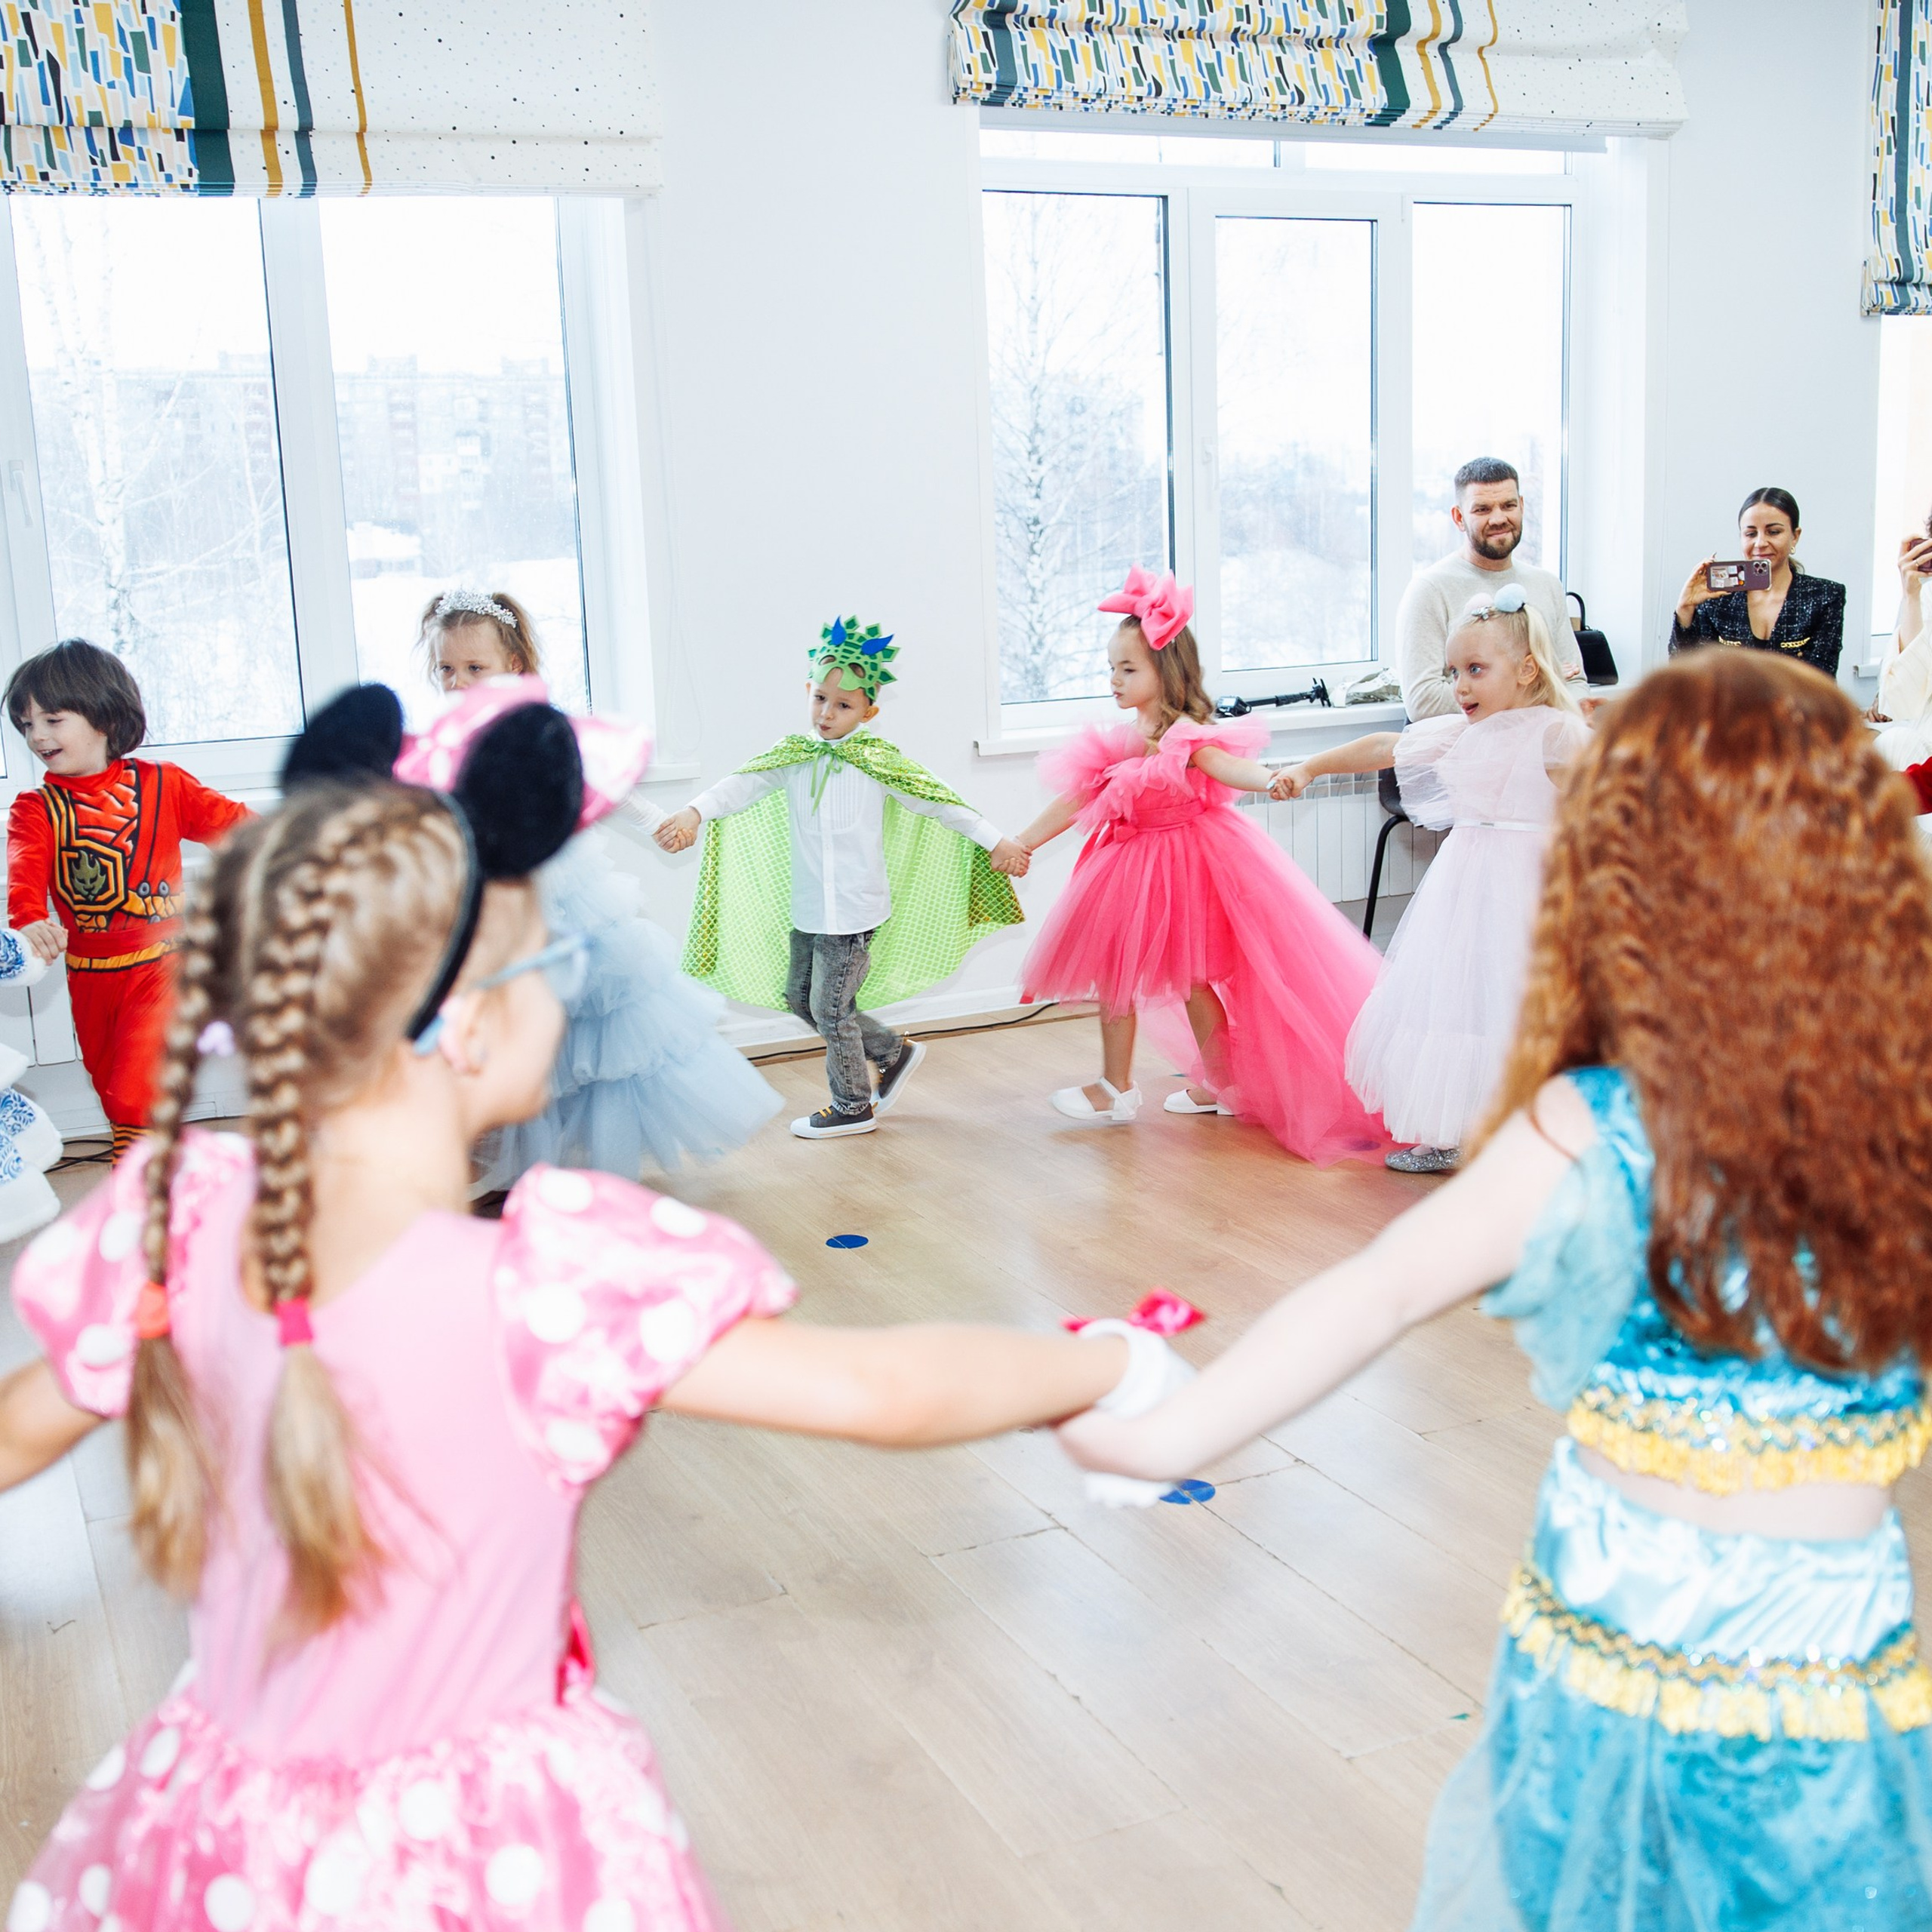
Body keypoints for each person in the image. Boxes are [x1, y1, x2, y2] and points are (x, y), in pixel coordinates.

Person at [0, 680, 1186, 1932]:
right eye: (551, 966)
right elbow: (878, 1390)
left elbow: (21, 1425)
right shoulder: (542, 1280)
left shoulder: (182, 1215)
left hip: (227, 1844)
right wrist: (1110, 1364)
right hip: (477, 1858)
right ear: (470, 1026)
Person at [1061, 651, 1932, 1927]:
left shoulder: (1610, 1124)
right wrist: (1170, 1433)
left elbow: (1374, 1293)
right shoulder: (1621, 1122)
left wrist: (1169, 1428)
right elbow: (1376, 1290)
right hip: (1714, 1669)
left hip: (1702, 1664)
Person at [1011, 567, 1387, 1165]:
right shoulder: (1125, 736)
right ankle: (1135, 1084)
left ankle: (1198, 1086)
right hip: (1132, 865)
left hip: (1187, 864)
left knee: (1192, 980)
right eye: (1111, 668)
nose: (1113, 680)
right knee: (1127, 973)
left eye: (1127, 669)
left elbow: (1226, 767)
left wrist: (1271, 779)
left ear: (1166, 672)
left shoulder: (1185, 735)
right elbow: (1077, 798)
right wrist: (1025, 841)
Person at [415, 587, 781, 1191]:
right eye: (446, 670)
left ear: (513, 666)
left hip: (556, 891)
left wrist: (658, 822)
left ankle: (556, 1160)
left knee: (581, 1023)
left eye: (475, 668)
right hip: (485, 893)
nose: (459, 683)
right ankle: (515, 1162)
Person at [651, 619, 1030, 1141]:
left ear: (868, 712)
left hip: (854, 911)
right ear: (808, 691)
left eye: (844, 705)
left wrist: (996, 840)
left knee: (830, 1009)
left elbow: (941, 802)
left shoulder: (878, 763)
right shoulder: (794, 757)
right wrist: (693, 813)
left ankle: (853, 1105)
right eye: (820, 699)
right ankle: (892, 1053)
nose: (827, 713)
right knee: (799, 996)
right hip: (810, 907)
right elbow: (738, 786)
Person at [1278, 586, 1588, 1175]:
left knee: (1525, 998)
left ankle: (1542, 1129)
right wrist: (1310, 766)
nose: (1461, 686)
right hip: (1463, 887)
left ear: (1527, 670)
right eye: (1453, 673)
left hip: (1536, 888)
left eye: (1476, 670)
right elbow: (1383, 746)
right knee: (1459, 997)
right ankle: (1451, 1126)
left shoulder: (1557, 733)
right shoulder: (1459, 734)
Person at [5, 639, 251, 1159]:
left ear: (105, 717)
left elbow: (241, 830)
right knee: (114, 1089)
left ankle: (137, 1193)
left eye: (52, 719)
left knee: (134, 1090)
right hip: (90, 976)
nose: (37, 735)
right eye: (26, 724)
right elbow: (25, 873)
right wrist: (29, 920)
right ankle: (161, 1178)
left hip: (165, 965)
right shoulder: (35, 808)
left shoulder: (166, 784)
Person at [1397, 457, 1586, 721]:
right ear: (1459, 518)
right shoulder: (1429, 590)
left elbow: (1576, 683)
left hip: (1543, 743)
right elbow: (1423, 701)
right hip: (1460, 747)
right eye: (1482, 509)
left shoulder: (1548, 584)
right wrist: (1540, 687)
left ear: (1521, 506)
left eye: (1508, 505)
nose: (1499, 519)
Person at [1670, 485, 1846, 678]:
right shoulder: (1717, 597)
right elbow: (1687, 674)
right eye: (1751, 534)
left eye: (1774, 532)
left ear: (1795, 536)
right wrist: (1685, 608)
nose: (1760, 543)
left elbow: (1821, 680)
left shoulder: (1825, 596)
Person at [1871, 514, 1932, 770]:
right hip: (1923, 743)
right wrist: (1911, 596)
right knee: (1894, 743)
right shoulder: (1925, 596)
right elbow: (1901, 703)